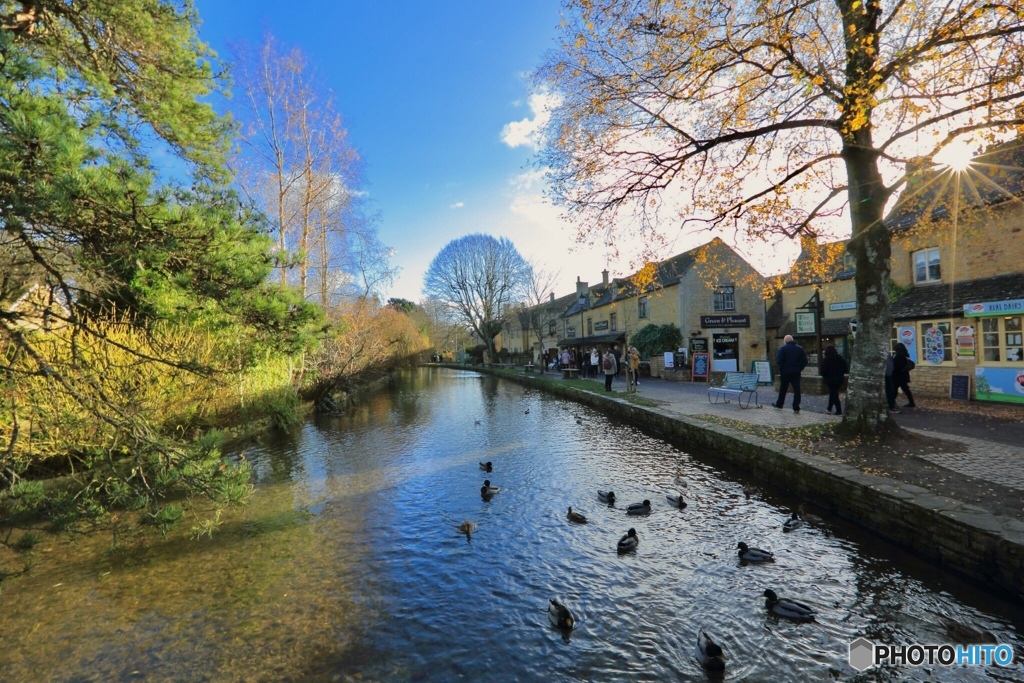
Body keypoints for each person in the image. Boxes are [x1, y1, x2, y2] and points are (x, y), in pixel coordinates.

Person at [774, 334, 808, 413]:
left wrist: (781, 368)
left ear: (785, 341)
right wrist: (800, 368)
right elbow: (805, 361)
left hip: (785, 372)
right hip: (796, 372)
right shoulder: (800, 349)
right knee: (797, 390)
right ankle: (796, 407)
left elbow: (779, 360)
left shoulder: (782, 349)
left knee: (783, 389)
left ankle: (780, 404)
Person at [819, 345, 848, 415]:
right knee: (833, 393)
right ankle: (829, 408)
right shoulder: (840, 358)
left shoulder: (827, 359)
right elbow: (846, 369)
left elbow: (822, 371)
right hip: (839, 379)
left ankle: (839, 410)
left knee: (834, 394)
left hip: (830, 380)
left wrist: (826, 376)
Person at [888, 342, 917, 411]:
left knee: (895, 389)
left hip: (899, 375)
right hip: (903, 375)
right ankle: (911, 402)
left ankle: (892, 403)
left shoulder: (899, 355)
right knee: (904, 389)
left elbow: (898, 366)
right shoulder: (905, 354)